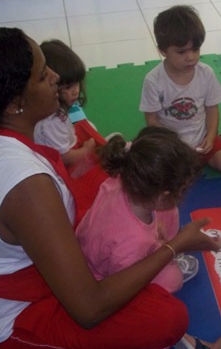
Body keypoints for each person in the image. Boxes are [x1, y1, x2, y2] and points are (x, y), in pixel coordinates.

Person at [0, 27, 221, 349]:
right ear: (16, 103)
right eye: (44, 75)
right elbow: (89, 309)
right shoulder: (25, 186)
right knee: (168, 319)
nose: (57, 77)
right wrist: (173, 247)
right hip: (5, 322)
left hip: (24, 260)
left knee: (114, 174)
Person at [76, 126, 202, 294]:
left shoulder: (122, 179)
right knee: (172, 278)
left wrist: (159, 238)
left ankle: (167, 249)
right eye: (182, 190)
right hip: (106, 271)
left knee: (169, 212)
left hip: (96, 241)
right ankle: (169, 255)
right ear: (164, 193)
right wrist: (163, 250)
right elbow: (124, 279)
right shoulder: (134, 242)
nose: (184, 195)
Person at [139, 5, 221, 173]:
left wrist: (211, 137)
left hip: (202, 137)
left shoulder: (206, 73)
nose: (190, 57)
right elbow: (152, 120)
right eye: (181, 52)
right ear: (163, 51)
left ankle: (196, 158)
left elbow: (212, 109)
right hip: (173, 144)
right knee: (164, 173)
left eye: (195, 49)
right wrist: (174, 145)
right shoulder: (153, 80)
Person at [34, 39, 97, 178]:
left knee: (91, 127)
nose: (75, 91)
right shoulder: (53, 120)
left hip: (64, 143)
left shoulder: (53, 110)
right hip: (62, 168)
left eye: (77, 84)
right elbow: (64, 158)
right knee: (101, 165)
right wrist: (86, 150)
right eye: (68, 87)